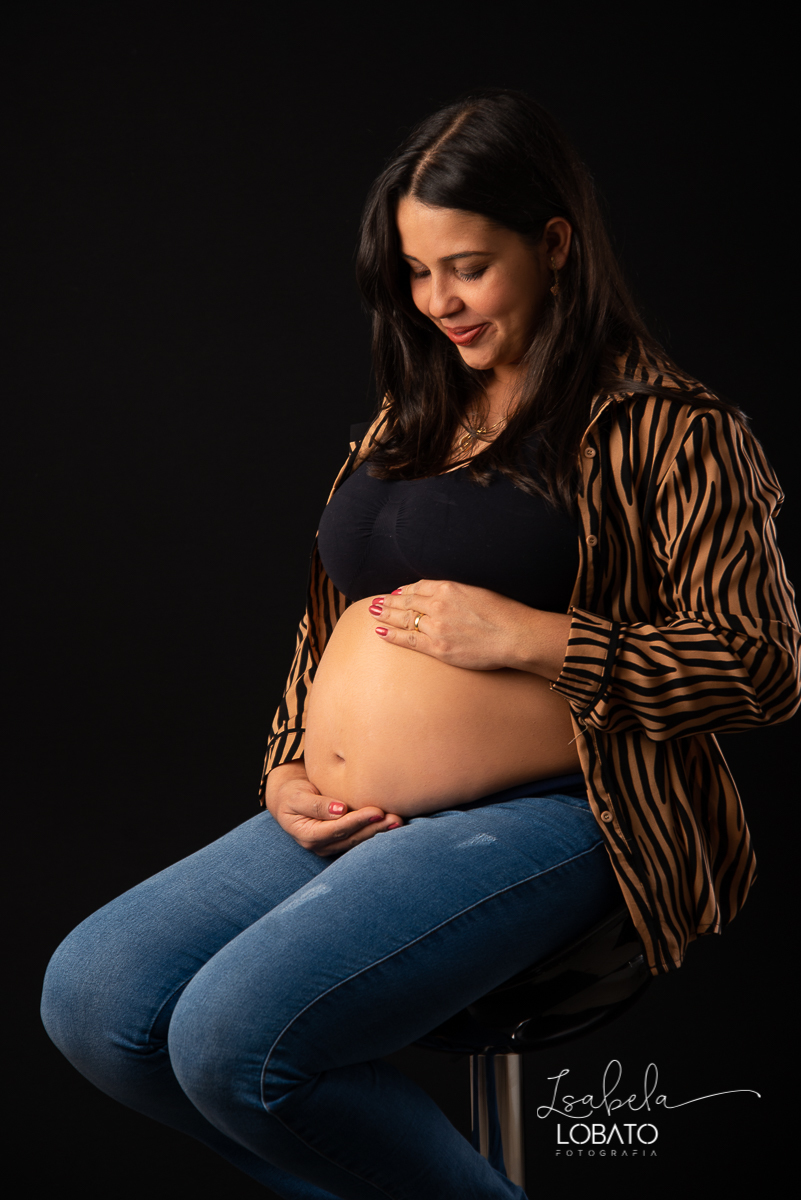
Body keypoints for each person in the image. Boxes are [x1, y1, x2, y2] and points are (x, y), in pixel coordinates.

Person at [41, 89, 800, 1199]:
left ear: (553, 245)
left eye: (469, 266)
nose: (437, 299)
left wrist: (538, 635)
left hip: (566, 811)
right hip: (356, 815)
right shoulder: (411, 416)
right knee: (95, 1000)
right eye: (414, 270)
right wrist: (289, 761)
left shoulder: (671, 429)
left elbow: (763, 665)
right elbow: (330, 617)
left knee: (230, 1042)